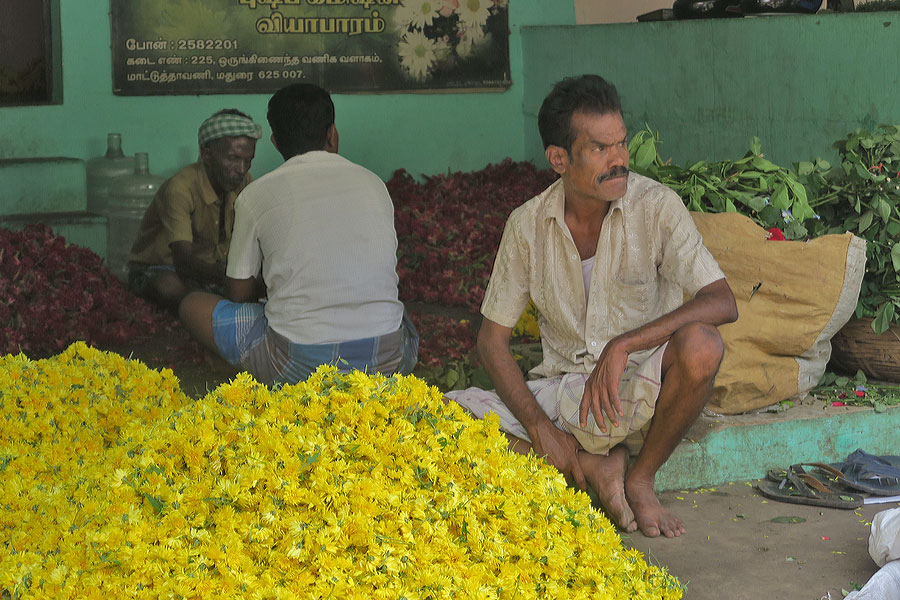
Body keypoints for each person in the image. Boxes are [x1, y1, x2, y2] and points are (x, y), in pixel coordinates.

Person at [446, 74, 738, 538]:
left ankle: (639, 476)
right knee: (446, 420)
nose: (619, 160)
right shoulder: (527, 226)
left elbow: (722, 301)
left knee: (703, 344)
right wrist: (539, 426)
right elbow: (492, 341)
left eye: (621, 144)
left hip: (638, 394)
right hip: (567, 400)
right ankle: (593, 464)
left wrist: (625, 344)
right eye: (600, 149)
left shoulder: (656, 206)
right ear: (559, 159)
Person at [179, 83, 418, 386]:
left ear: (277, 143)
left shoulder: (255, 196)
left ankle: (243, 368)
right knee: (393, 308)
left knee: (192, 305)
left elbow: (238, 294)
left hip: (299, 366)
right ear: (332, 134)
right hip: (390, 361)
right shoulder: (374, 184)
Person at [127, 109, 262, 310]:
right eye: (233, 159)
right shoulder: (180, 188)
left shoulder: (245, 182)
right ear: (206, 154)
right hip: (164, 268)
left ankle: (207, 303)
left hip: (213, 270)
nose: (242, 169)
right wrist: (233, 280)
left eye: (248, 160)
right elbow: (184, 261)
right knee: (169, 288)